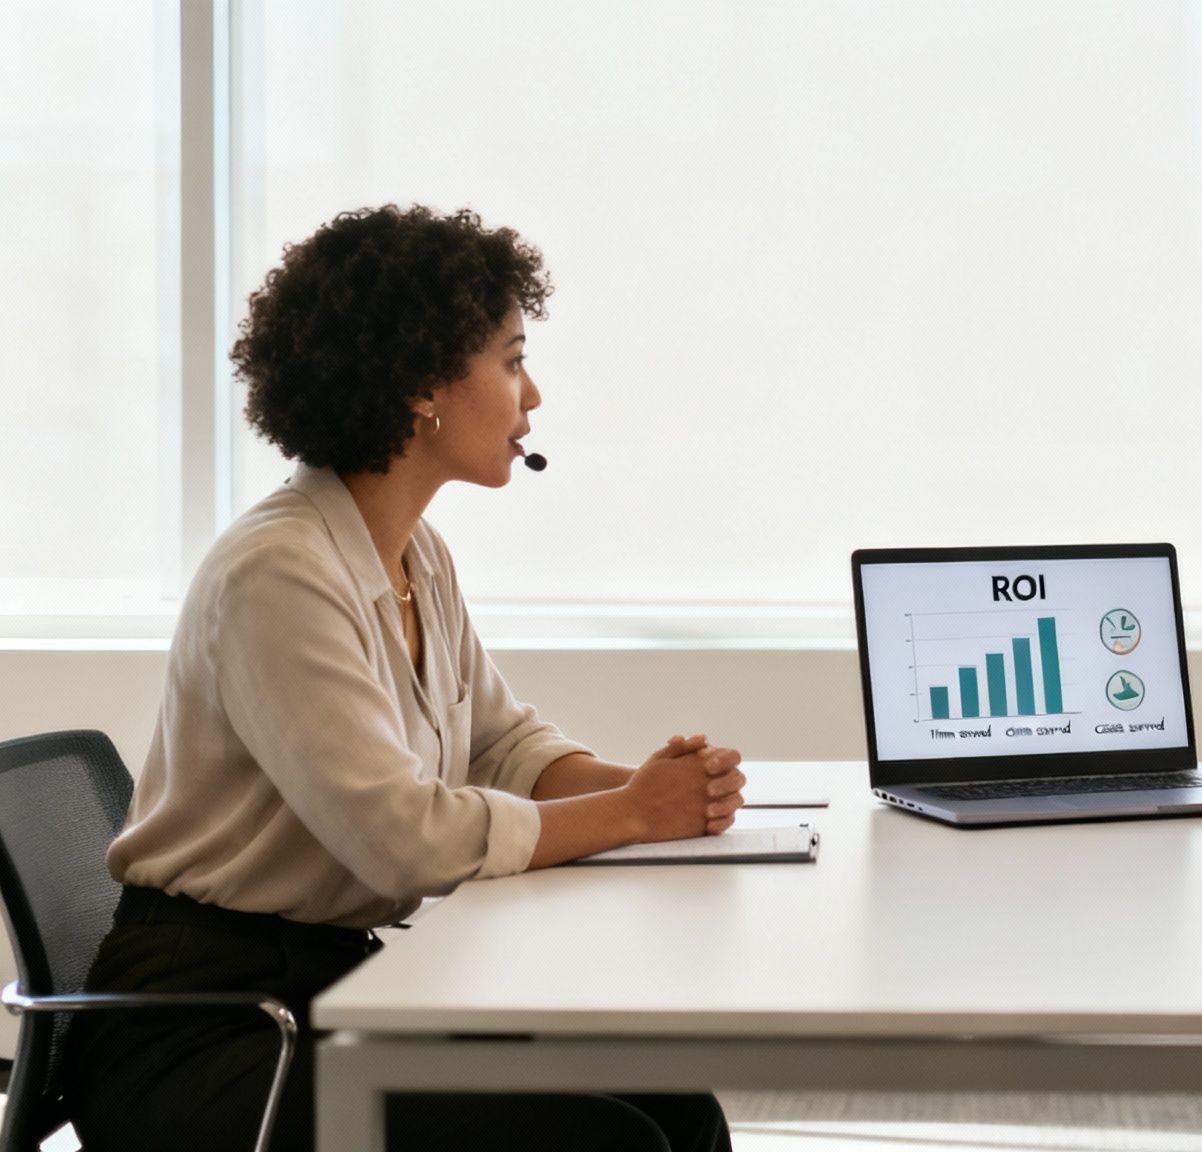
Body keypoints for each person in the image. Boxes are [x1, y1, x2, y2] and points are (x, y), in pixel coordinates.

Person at [63, 205, 745, 1152]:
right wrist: (636, 814)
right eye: (511, 361)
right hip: (210, 1031)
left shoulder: (413, 551)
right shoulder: (280, 573)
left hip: (331, 994)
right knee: (602, 1142)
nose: (532, 393)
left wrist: (649, 788)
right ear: (425, 386)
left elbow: (502, 747)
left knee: (677, 1110)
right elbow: (403, 842)